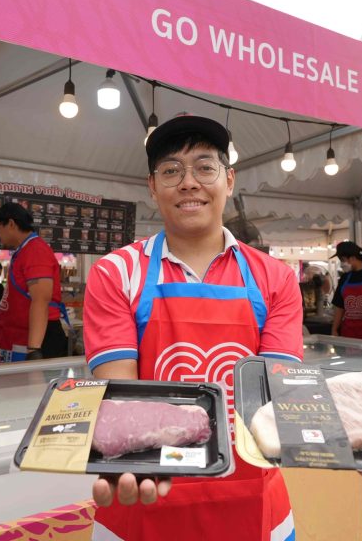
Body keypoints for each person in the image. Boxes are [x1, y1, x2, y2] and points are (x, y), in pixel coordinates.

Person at [84, 115, 303, 541]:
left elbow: (276, 395)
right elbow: (123, 400)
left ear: (229, 180)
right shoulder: (116, 273)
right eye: (171, 171)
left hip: (254, 500)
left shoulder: (275, 278)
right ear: (152, 186)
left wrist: (334, 439)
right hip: (147, 488)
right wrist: (128, 462)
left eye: (205, 167)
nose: (189, 183)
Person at [0, 202, 67, 361]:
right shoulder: (24, 250)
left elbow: (41, 300)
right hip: (20, 338)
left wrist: (34, 350)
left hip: (38, 340)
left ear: (11, 224)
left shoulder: (35, 250)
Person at [330, 240, 362, 340]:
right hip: (349, 335)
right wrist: (334, 329)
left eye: (343, 260)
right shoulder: (344, 278)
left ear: (353, 258)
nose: (342, 264)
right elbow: (340, 307)